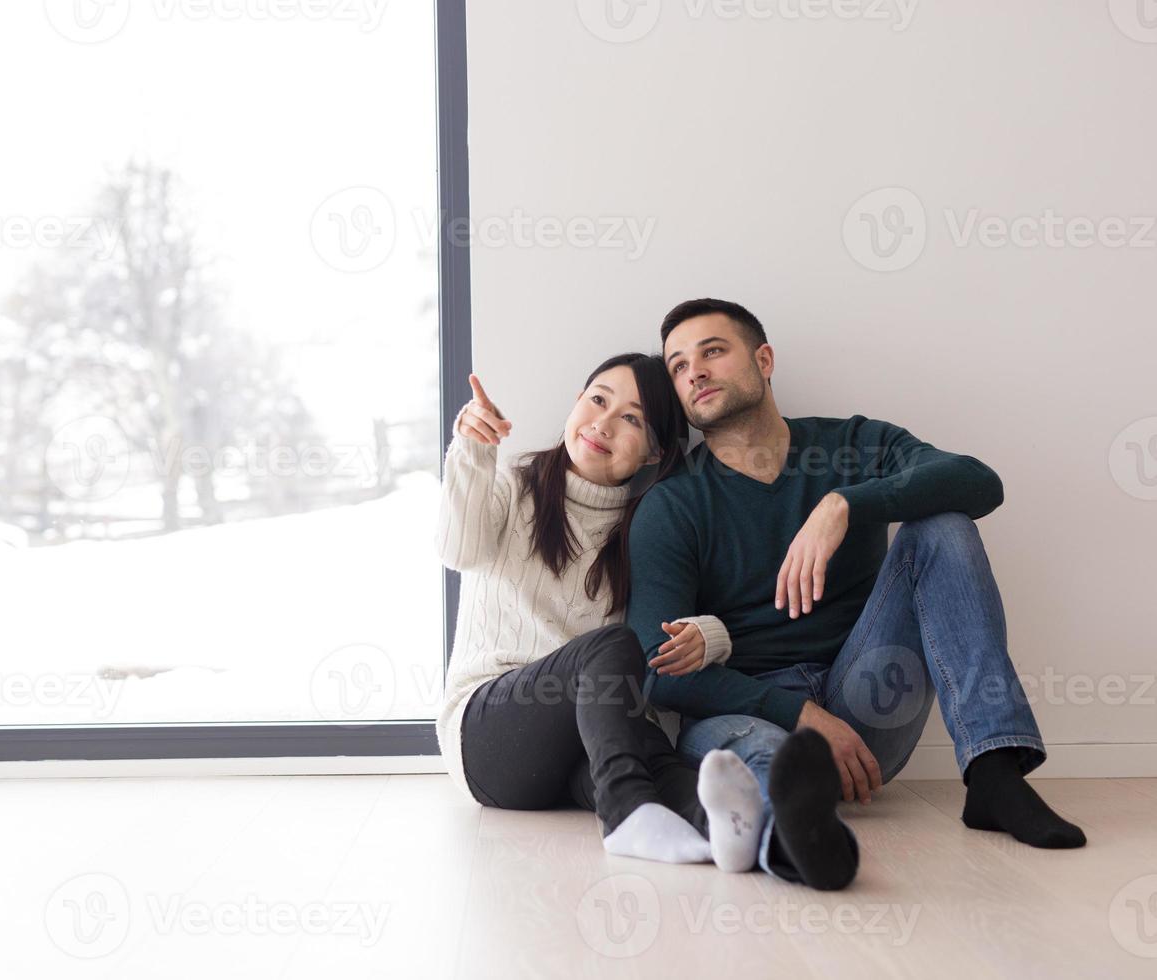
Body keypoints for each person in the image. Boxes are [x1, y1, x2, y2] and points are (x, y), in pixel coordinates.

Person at [626, 297, 1086, 889]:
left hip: (867, 699)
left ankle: (995, 773)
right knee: (760, 754)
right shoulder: (672, 503)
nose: (696, 372)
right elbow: (657, 668)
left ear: (763, 360)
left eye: (713, 351)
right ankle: (794, 835)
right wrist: (802, 714)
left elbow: (980, 483)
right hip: (750, 709)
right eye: (679, 366)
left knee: (942, 524)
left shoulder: (849, 446)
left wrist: (846, 503)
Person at [434, 353, 766, 872]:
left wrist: (709, 635)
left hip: (581, 749)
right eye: (597, 400)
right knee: (611, 651)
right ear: (576, 403)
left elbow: (691, 623)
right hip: (488, 735)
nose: (603, 424)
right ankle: (627, 813)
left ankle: (754, 839)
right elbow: (459, 551)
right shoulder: (514, 483)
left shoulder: (652, 528)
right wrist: (474, 452)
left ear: (656, 449)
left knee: (656, 754)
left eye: (632, 418)